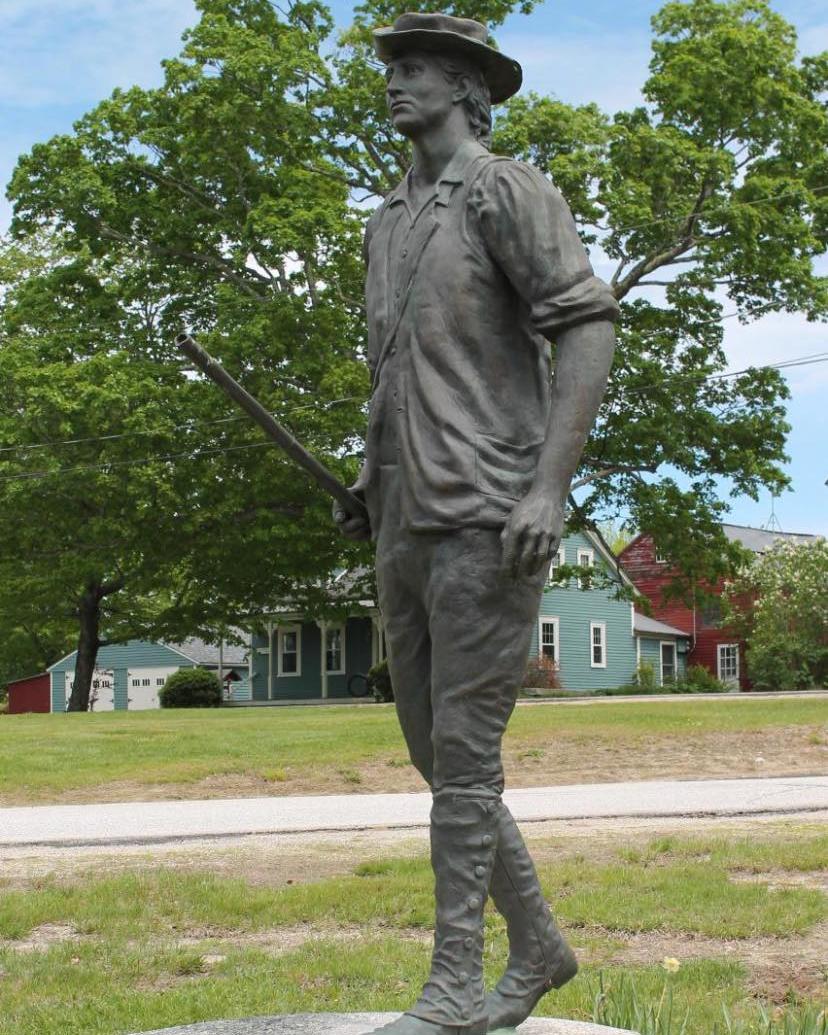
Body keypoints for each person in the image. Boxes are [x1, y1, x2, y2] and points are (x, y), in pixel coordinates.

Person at [334, 13, 619, 1035]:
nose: (394, 84)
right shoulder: (386, 220)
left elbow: (587, 324)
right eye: (392, 70)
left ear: (465, 87)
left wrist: (548, 488)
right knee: (432, 750)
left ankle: (455, 983)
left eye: (413, 69)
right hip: (403, 512)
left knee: (463, 757)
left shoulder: (507, 191)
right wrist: (367, 471)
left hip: (489, 513)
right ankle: (540, 946)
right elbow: (401, 364)